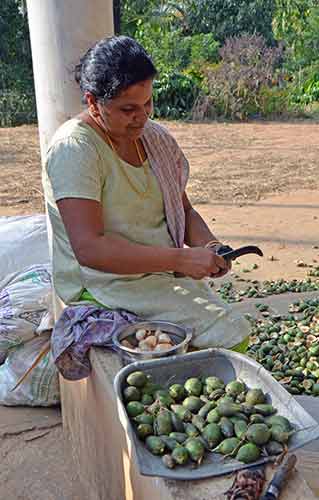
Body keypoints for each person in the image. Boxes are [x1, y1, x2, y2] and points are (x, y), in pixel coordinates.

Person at [43, 35, 250, 350]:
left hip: (158, 272)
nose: (141, 117)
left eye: (147, 104)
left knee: (222, 328)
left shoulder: (155, 139)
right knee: (230, 332)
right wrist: (180, 259)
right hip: (103, 283)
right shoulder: (75, 149)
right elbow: (90, 249)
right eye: (127, 109)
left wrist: (210, 246)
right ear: (92, 102)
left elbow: (185, 211)